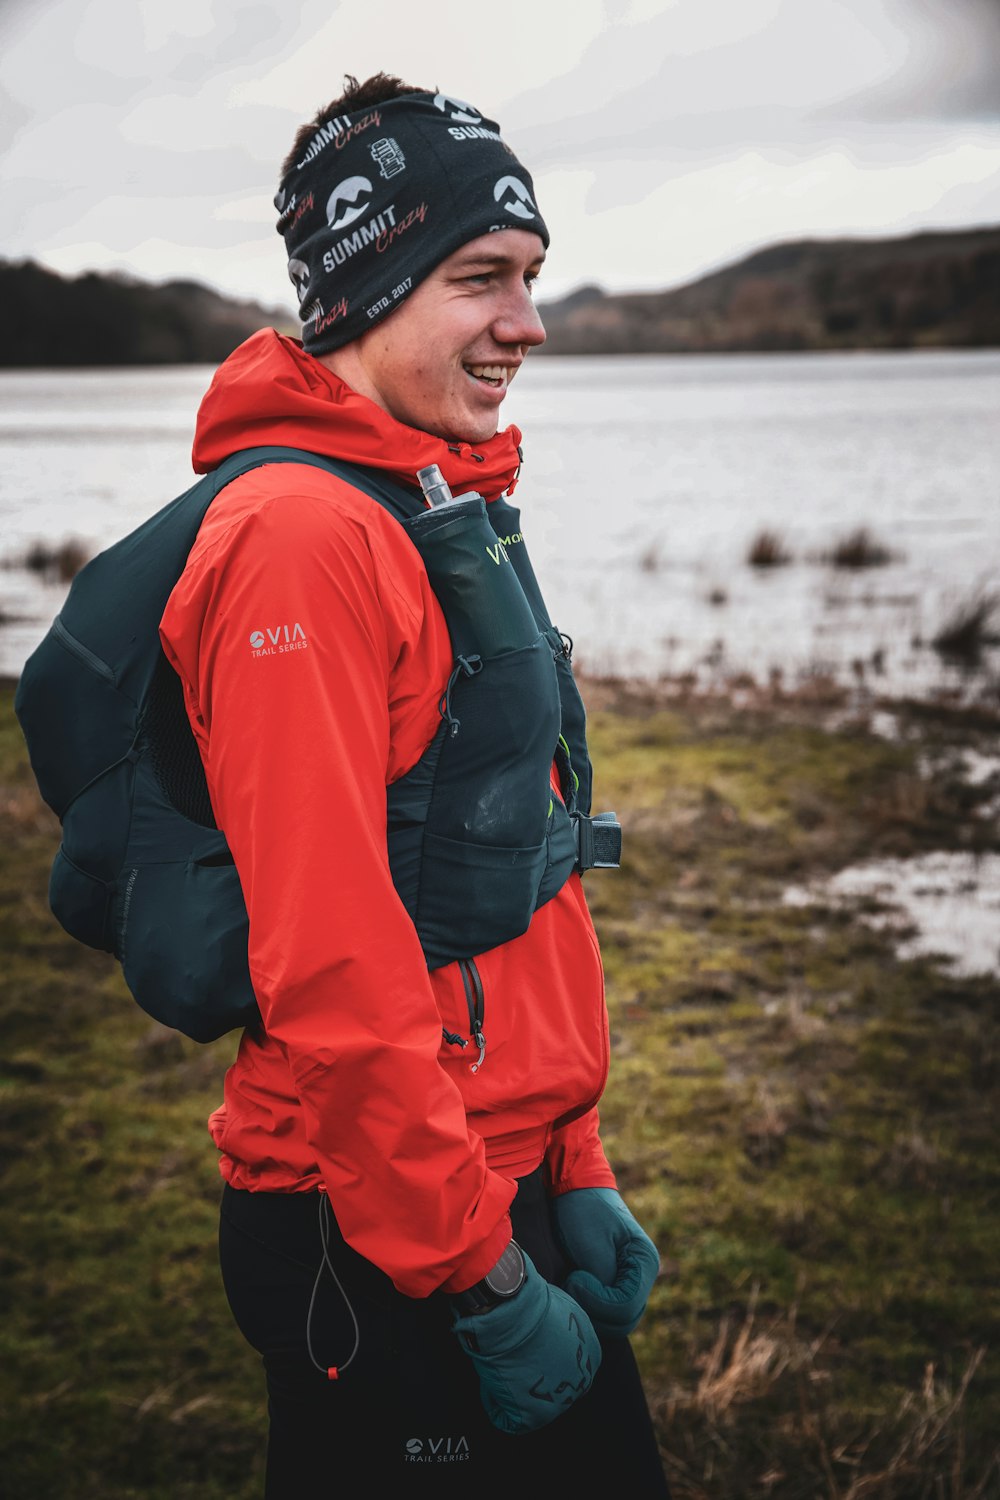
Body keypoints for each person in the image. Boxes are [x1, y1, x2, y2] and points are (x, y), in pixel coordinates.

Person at [159, 72, 671, 1495]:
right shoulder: (298, 541)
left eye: (531, 276)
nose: (529, 319)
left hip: (496, 1180)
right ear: (365, 289)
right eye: (481, 278)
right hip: (379, 1223)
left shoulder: (437, 500)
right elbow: (331, 954)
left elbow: (497, 874)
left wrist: (574, 1157)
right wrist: (478, 1276)